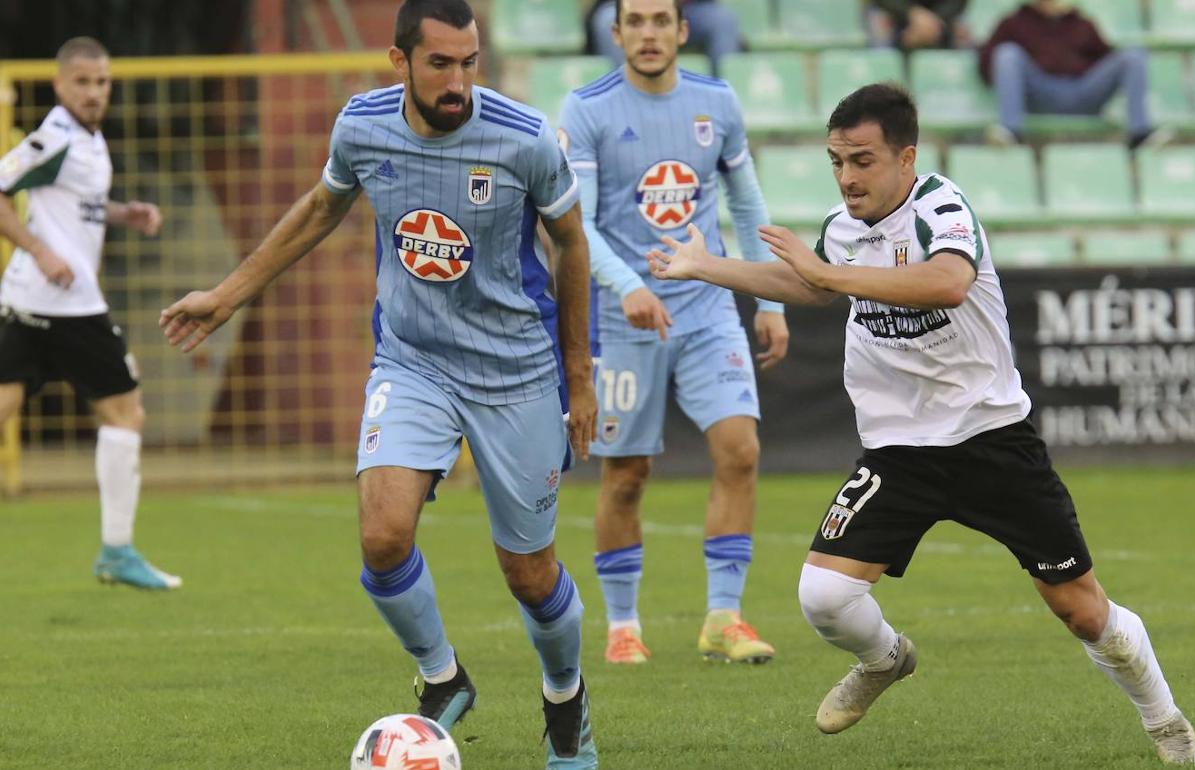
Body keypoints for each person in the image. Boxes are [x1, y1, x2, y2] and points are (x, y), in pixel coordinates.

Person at [646, 83, 1195, 765]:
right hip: (898, 454)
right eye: (836, 162)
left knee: (1085, 613)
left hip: (991, 442)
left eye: (861, 160)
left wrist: (832, 272)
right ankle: (885, 659)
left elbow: (946, 283)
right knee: (823, 596)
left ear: (906, 158)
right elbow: (814, 285)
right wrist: (706, 267)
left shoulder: (940, 209)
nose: (847, 177)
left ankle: (1167, 725)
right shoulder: (844, 228)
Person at [159, 2, 599, 767]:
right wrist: (227, 295)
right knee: (382, 534)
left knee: (529, 574)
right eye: (441, 64)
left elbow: (570, 244)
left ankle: (566, 696)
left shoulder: (524, 137)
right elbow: (319, 209)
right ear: (400, 62)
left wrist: (580, 377)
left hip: (515, 372)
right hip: (413, 360)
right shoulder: (361, 127)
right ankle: (443, 678)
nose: (459, 81)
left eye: (470, 62)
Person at [560, 0, 789, 667]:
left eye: (663, 20)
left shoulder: (716, 102)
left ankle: (724, 617)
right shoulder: (587, 109)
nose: (651, 33)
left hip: (707, 306)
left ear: (683, 31)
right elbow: (578, 226)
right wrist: (626, 286)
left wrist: (767, 295)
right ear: (617, 33)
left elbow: (745, 201)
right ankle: (623, 625)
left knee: (739, 449)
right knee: (628, 474)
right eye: (638, 21)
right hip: (622, 318)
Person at [0, 37, 179, 591]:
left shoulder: (87, 139)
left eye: (102, 82)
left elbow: (76, 207)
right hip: (65, 304)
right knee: (127, 415)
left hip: (33, 302)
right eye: (83, 82)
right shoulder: (55, 137)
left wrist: (126, 214)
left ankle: (117, 553)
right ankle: (117, 552)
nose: (94, 92)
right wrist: (42, 251)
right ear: (60, 85)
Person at [978, 0, 1170, 148]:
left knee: (1133, 56)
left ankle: (1139, 134)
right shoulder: (1013, 22)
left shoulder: (1081, 23)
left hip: (1083, 93)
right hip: (1040, 95)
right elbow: (987, 65)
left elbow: (1105, 59)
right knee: (1007, 54)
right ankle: (1011, 131)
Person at [586, 0, 741, 78]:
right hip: (628, 7)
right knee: (607, 21)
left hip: (684, 8)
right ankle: (625, 101)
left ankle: (728, 103)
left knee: (722, 20)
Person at [867, 1, 971, 50]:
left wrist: (931, 22)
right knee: (879, 21)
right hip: (897, 12)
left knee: (963, 32)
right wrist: (911, 13)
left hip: (941, 16)